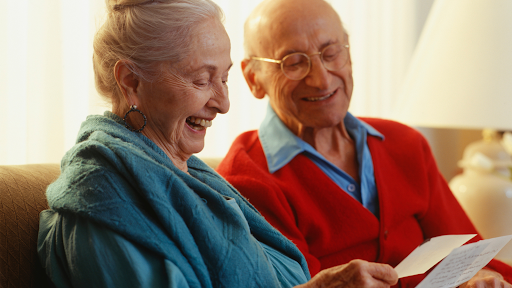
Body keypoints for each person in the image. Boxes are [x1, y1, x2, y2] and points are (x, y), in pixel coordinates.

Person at [37, 0, 400, 287]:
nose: (223, 104)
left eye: (224, 79)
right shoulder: (103, 195)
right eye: (201, 80)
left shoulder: (195, 178)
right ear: (131, 81)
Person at [215, 0, 512, 287]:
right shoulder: (247, 179)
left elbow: (471, 253)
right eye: (293, 63)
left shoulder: (405, 144)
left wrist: (479, 278)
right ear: (254, 78)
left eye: (331, 53)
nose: (321, 79)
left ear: (349, 53)